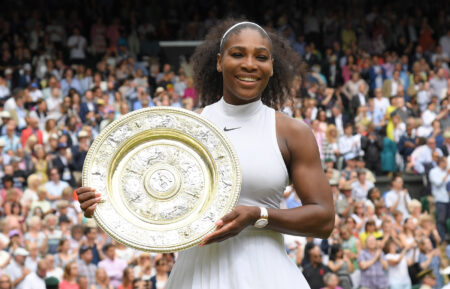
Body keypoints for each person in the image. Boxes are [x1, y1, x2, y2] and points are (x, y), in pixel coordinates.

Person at [76, 20, 334, 289]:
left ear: (271, 67)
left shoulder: (292, 132)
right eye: (237, 54)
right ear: (220, 62)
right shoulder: (185, 128)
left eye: (261, 57)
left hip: (268, 276)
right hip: (195, 277)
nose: (249, 64)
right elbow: (154, 194)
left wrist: (257, 215)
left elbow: (324, 219)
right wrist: (106, 204)